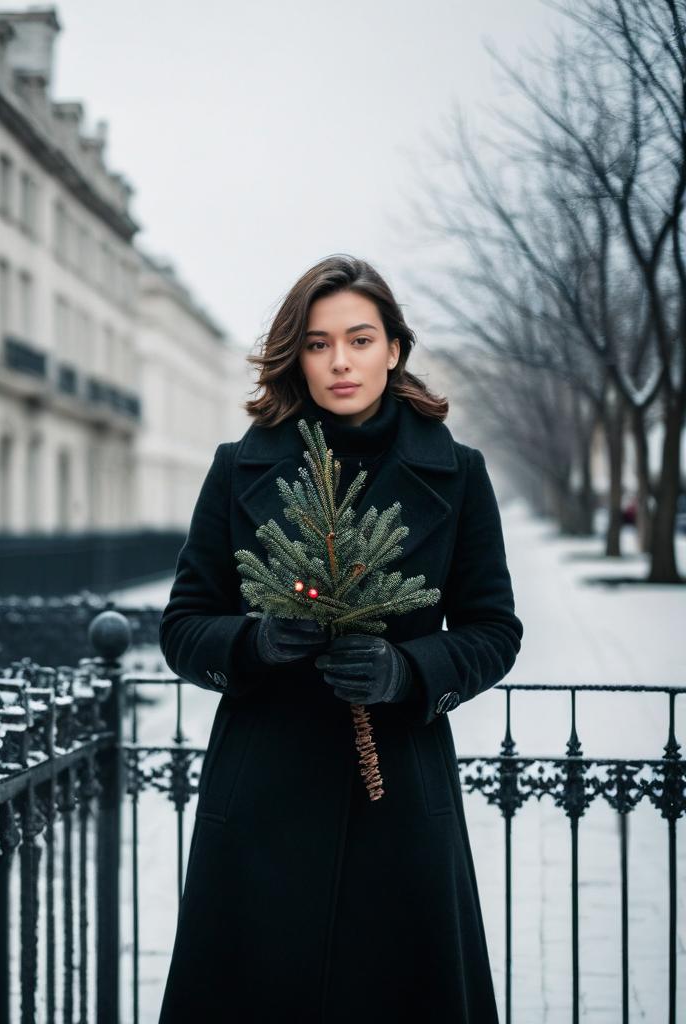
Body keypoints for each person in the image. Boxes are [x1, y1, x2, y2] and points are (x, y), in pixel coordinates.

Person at [156, 255, 523, 1023]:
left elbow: (494, 630)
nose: (341, 361)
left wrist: (409, 670)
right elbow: (184, 625)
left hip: (398, 793)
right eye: (319, 344)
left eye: (359, 339)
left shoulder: (457, 474)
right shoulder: (238, 469)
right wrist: (251, 643)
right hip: (261, 799)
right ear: (299, 356)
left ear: (394, 348)